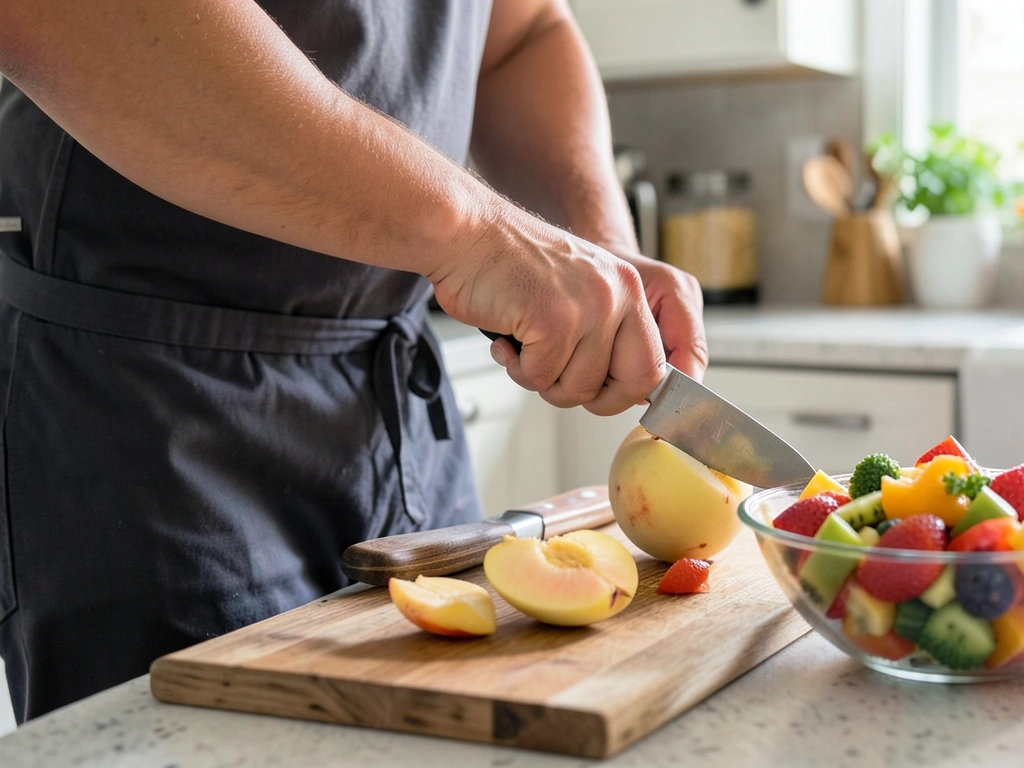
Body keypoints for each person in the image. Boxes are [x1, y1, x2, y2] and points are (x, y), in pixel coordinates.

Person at [0, 0, 706, 723]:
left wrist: (597, 245)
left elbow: (520, 33)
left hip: (399, 409)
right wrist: (475, 232)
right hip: (149, 425)